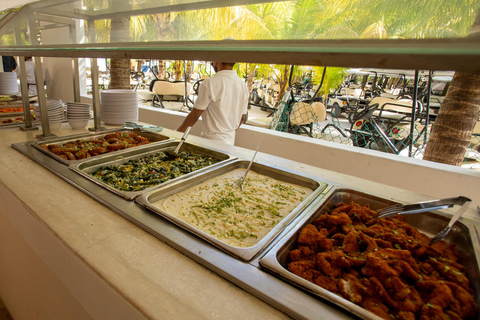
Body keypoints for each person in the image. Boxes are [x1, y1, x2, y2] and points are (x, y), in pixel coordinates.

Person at [177, 60, 249, 145]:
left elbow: (194, 116)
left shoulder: (209, 83)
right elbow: (242, 117)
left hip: (210, 142)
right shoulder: (243, 85)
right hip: (230, 142)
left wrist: (175, 135)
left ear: (215, 62)